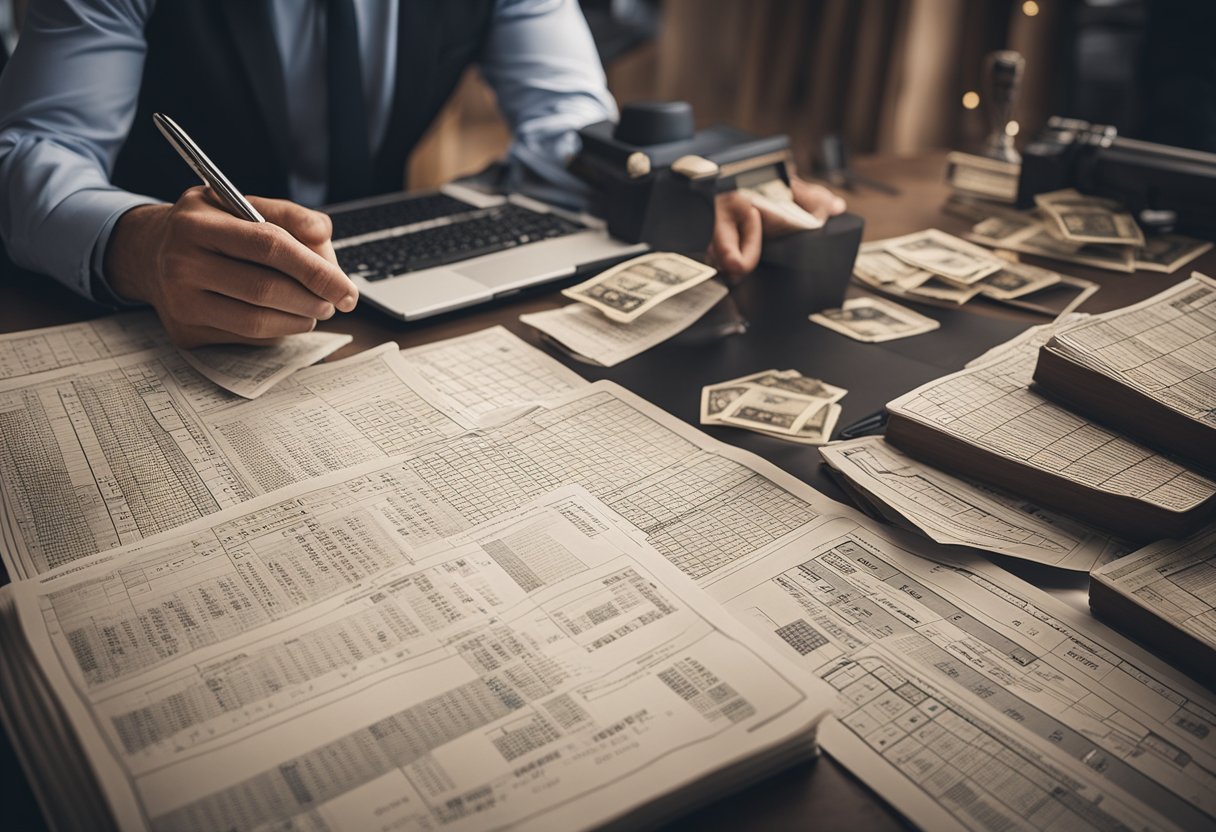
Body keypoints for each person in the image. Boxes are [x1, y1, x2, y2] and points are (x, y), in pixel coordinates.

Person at [0, 0, 844, 347]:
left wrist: (680, 186)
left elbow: (566, 128)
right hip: (156, 316)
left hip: (376, 309)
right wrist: (137, 243)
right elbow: (33, 151)